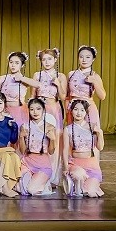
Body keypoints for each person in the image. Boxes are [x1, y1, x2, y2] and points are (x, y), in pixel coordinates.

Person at [32, 47, 68, 176]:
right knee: (39, 137)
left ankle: (53, 175)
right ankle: (39, 170)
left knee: (54, 139)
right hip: (40, 109)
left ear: (55, 60)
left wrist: (58, 84)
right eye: (44, 60)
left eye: (50, 59)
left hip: (54, 108)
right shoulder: (37, 75)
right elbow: (33, 96)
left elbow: (63, 97)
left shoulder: (60, 76)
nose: (47, 62)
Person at [63, 99, 105, 198]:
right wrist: (66, 167)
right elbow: (65, 150)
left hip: (91, 164)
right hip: (76, 163)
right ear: (71, 111)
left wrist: (100, 133)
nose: (79, 113)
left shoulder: (92, 127)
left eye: (82, 110)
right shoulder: (68, 129)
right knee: (78, 175)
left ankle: (81, 186)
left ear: (86, 112)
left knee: (91, 192)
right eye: (76, 109)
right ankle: (76, 184)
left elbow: (100, 147)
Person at [18, 97, 59, 196]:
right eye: (32, 109)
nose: (35, 112)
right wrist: (21, 137)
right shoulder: (25, 126)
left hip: (43, 165)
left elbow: (51, 152)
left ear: (43, 110)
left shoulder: (49, 127)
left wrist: (53, 139)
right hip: (27, 163)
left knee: (31, 190)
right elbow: (23, 151)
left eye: (38, 109)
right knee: (22, 189)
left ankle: (44, 184)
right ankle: (39, 183)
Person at [0, 51, 40, 130]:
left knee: (19, 133)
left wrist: (21, 78)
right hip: (4, 111)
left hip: (19, 111)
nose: (13, 65)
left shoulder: (24, 80)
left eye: (17, 63)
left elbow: (38, 85)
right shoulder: (2, 78)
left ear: (22, 65)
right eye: (11, 62)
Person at [66, 45, 107, 129]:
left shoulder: (95, 76)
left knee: (89, 133)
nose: (84, 60)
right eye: (81, 57)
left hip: (88, 108)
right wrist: (67, 109)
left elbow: (102, 96)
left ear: (93, 59)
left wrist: (94, 82)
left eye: (88, 57)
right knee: (73, 134)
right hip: (73, 108)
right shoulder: (71, 74)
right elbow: (67, 95)